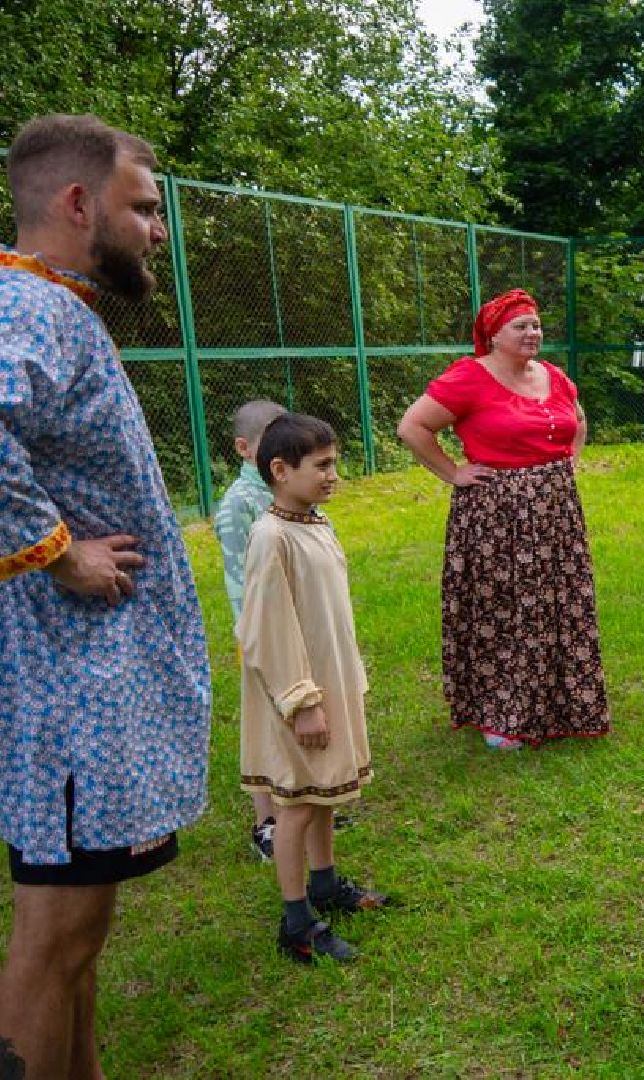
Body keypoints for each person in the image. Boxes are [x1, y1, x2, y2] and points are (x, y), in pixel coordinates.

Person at [0, 113, 211, 1077]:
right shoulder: (26, 306)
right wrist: (57, 552)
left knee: (82, 945)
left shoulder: (56, 302)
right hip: (65, 692)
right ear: (79, 202)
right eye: (143, 206)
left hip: (90, 689)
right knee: (54, 945)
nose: (156, 227)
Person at [396, 289, 610, 749]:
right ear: (493, 334)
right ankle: (502, 713)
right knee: (506, 608)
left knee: (560, 604)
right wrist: (453, 472)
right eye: (521, 325)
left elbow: (579, 420)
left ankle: (564, 703)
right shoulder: (467, 377)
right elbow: (412, 427)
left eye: (536, 324)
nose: (533, 332)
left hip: (556, 514)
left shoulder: (553, 375)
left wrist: (567, 462)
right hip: (497, 517)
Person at [239, 413, 389, 962]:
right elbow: (267, 629)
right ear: (280, 470)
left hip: (328, 684)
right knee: (296, 803)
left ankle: (325, 884)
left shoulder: (314, 522)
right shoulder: (270, 536)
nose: (333, 475)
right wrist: (301, 701)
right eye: (321, 465)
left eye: (335, 464)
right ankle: (296, 919)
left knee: (324, 794)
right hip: (297, 696)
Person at [215, 398, 289, 860]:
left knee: (297, 715)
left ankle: (300, 802)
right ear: (245, 449)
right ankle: (267, 823)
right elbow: (240, 579)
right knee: (267, 724)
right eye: (271, 445)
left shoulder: (288, 489)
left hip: (298, 627)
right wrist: (257, 634)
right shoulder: (238, 505)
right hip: (262, 633)